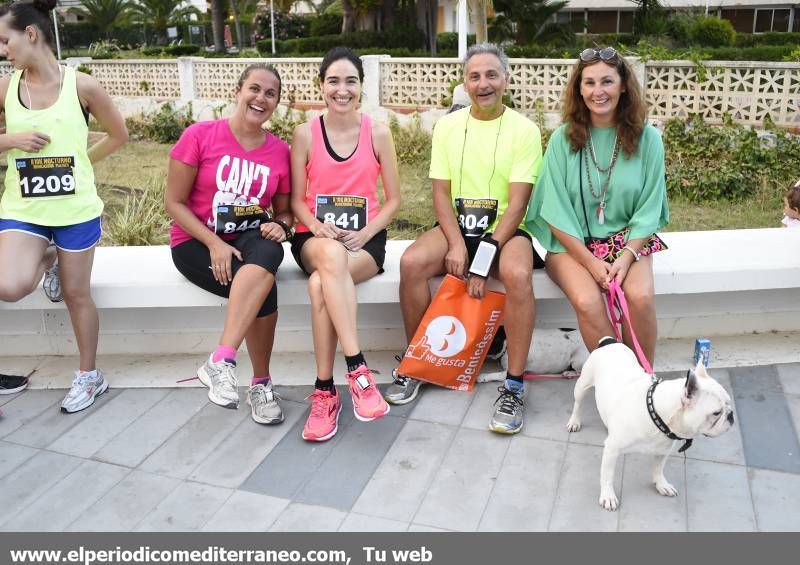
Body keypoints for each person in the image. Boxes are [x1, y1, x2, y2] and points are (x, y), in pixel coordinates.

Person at [389, 43, 544, 435]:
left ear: (506, 80)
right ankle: (418, 362)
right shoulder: (447, 126)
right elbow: (441, 193)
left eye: (492, 74)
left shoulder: (525, 131)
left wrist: (481, 258)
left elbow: (518, 205)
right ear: (464, 82)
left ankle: (513, 384)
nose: (483, 83)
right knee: (411, 263)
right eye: (474, 76)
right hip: (458, 227)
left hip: (507, 232)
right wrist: (457, 244)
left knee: (518, 275)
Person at [0, 0, 128, 412]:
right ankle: (48, 256)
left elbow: (117, 134)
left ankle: (90, 376)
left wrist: (82, 162)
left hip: (75, 210)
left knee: (76, 294)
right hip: (24, 208)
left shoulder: (83, 86)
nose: (4, 50)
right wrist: (11, 141)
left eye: (6, 40)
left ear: (31, 35)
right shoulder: (6, 88)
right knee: (10, 285)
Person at [525, 47, 669, 367]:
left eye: (606, 81)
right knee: (588, 301)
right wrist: (590, 261)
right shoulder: (563, 140)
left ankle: (642, 378)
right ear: (579, 89)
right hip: (573, 246)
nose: (597, 91)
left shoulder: (649, 140)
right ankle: (618, 379)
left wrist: (628, 255)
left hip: (627, 240)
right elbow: (554, 209)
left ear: (622, 86)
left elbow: (650, 206)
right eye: (589, 83)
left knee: (640, 297)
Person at [166, 63, 293, 424]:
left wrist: (281, 227)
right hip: (195, 241)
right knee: (264, 286)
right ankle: (260, 383)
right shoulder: (200, 135)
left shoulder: (279, 151)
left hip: (250, 238)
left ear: (276, 103)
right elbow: (173, 202)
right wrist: (213, 244)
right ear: (239, 91)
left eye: (270, 94)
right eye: (254, 89)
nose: (261, 98)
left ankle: (220, 360)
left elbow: (283, 212)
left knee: (270, 253)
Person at [290, 47, 401, 441]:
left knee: (323, 284)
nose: (342, 89)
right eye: (333, 81)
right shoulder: (305, 133)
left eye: (350, 81)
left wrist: (366, 233)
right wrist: (318, 226)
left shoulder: (379, 132)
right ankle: (358, 370)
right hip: (314, 240)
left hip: (364, 242)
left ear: (361, 87)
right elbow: (294, 202)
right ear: (321, 86)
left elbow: (394, 201)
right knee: (328, 259)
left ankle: (325, 393)